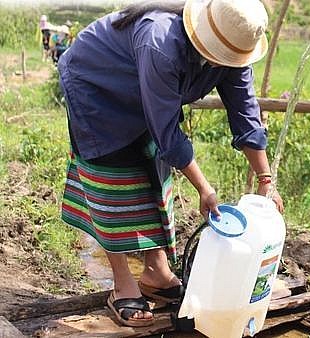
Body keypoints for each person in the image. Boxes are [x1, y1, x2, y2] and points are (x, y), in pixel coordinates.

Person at [58, 0, 283, 327]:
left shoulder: (233, 46)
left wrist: (266, 180)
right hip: (96, 88)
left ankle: (156, 271)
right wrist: (205, 189)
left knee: (155, 173)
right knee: (112, 179)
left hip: (145, 93)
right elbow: (166, 133)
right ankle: (122, 283)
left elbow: (246, 117)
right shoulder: (160, 41)